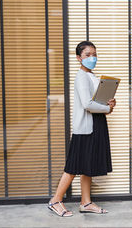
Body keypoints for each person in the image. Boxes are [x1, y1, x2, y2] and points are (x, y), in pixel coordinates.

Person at [48, 41, 116, 217]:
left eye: (94, 54)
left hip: (97, 124)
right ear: (79, 58)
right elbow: (87, 104)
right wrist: (106, 108)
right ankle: (55, 200)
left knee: (88, 166)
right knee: (73, 167)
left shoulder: (92, 77)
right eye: (88, 55)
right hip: (85, 129)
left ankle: (85, 203)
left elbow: (97, 103)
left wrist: (110, 104)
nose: (92, 58)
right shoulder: (81, 77)